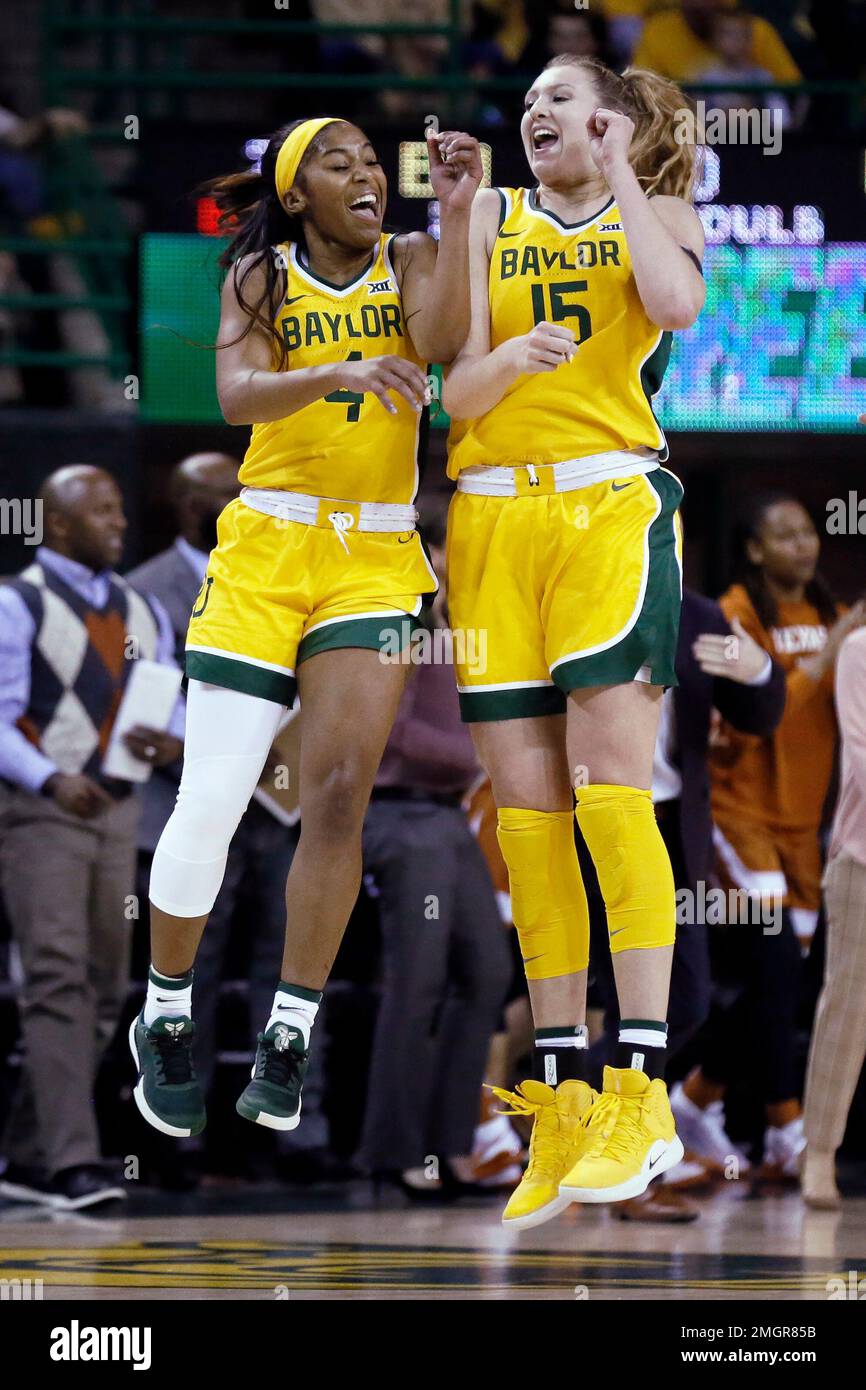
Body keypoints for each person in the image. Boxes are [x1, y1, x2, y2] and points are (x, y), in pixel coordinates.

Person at [129, 115, 482, 1144]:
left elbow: (451, 346)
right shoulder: (263, 281)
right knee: (218, 792)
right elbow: (237, 398)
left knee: (337, 797)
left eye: (372, 159)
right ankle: (164, 1009)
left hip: (372, 554)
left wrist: (456, 218)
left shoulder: (413, 257)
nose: (365, 170)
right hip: (269, 550)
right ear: (295, 195)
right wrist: (339, 374)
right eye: (339, 161)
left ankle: (289, 1029)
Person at [442, 52, 705, 1227]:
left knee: (611, 798)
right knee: (530, 821)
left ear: (606, 118)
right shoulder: (489, 215)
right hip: (492, 515)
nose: (535, 109)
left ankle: (639, 1093)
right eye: (529, 98)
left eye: (561, 95)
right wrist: (488, 353)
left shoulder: (658, 211)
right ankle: (556, 1102)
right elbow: (444, 374)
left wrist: (618, 172)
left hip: (606, 503)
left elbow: (675, 304)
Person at [128, 453, 333, 1178]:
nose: (238, 498)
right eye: (222, 492)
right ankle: (178, 1133)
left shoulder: (308, 562)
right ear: (187, 506)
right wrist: (213, 746)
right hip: (192, 784)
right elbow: (142, 697)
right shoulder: (147, 586)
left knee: (292, 951)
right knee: (198, 962)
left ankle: (298, 1134)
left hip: (281, 800)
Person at [0, 466, 183, 1209]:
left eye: (118, 508)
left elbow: (168, 702)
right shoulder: (17, 602)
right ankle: (74, 1162)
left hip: (118, 812)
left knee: (107, 988)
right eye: (100, 512)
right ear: (59, 525)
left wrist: (170, 742)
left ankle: (24, 1153)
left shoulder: (145, 607)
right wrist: (48, 777)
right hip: (43, 812)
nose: (118, 522)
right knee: (55, 976)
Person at [674, 494, 866, 1178]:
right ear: (755, 550)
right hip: (739, 816)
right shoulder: (733, 615)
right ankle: (788, 1131)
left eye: (809, 533)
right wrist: (837, 648)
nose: (803, 545)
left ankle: (696, 1100)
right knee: (777, 966)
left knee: (781, 985)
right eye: (783, 535)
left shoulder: (828, 614)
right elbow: (770, 714)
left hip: (803, 824)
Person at [586, 585, 786, 1221]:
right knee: (616, 1000)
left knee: (684, 1000)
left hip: (671, 829)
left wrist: (756, 670)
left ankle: (577, 1122)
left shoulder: (697, 614)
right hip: (587, 818)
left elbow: (760, 714)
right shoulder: (577, 596)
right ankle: (617, 1165)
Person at [359, 514, 511, 1197]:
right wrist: (482, 757)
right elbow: (393, 729)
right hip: (401, 815)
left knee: (487, 970)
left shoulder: (465, 630)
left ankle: (450, 1148)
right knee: (415, 980)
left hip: (448, 817)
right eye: (446, 545)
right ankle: (393, 1153)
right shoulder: (398, 626)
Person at [801, 626, 866, 1209]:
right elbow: (862, 757)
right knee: (848, 1011)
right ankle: (819, 1152)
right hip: (862, 859)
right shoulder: (859, 649)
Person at [632, 0, 800, 85]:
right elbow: (641, 91)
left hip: (757, 137)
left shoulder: (754, 29)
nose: (699, 6)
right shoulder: (657, 30)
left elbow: (791, 90)